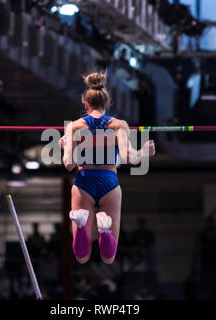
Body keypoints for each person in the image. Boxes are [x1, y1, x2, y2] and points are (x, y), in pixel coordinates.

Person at [60, 72, 155, 264]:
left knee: (81, 257)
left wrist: (66, 147)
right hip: (109, 183)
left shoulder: (74, 126)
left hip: (83, 182)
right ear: (107, 102)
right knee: (109, 258)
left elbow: (69, 164)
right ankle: (105, 230)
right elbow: (128, 156)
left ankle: (80, 225)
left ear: (85, 104)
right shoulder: (119, 125)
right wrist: (145, 151)